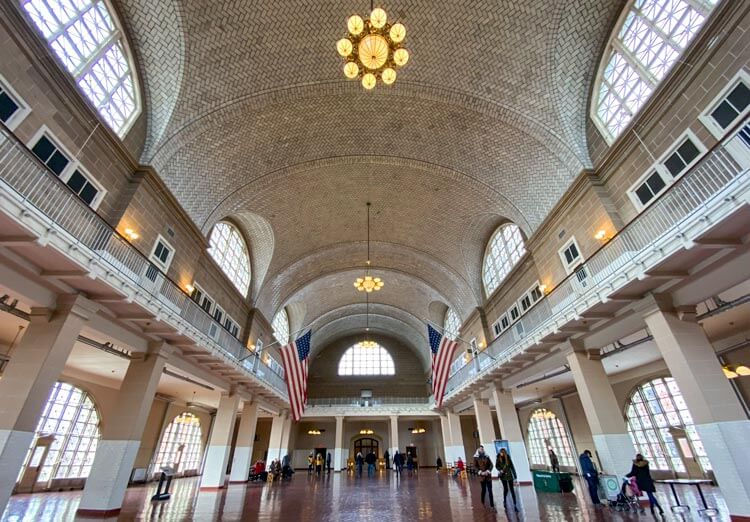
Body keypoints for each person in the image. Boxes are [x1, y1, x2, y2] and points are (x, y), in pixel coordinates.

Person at [474, 446, 495, 511]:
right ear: (478, 450)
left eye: (482, 449)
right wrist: (480, 472)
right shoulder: (476, 457)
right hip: (482, 476)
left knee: (490, 491)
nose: (482, 450)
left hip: (488, 475)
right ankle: (482, 501)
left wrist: (488, 471)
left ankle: (492, 506)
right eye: (480, 449)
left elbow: (491, 465)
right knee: (484, 490)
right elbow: (475, 466)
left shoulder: (487, 456)